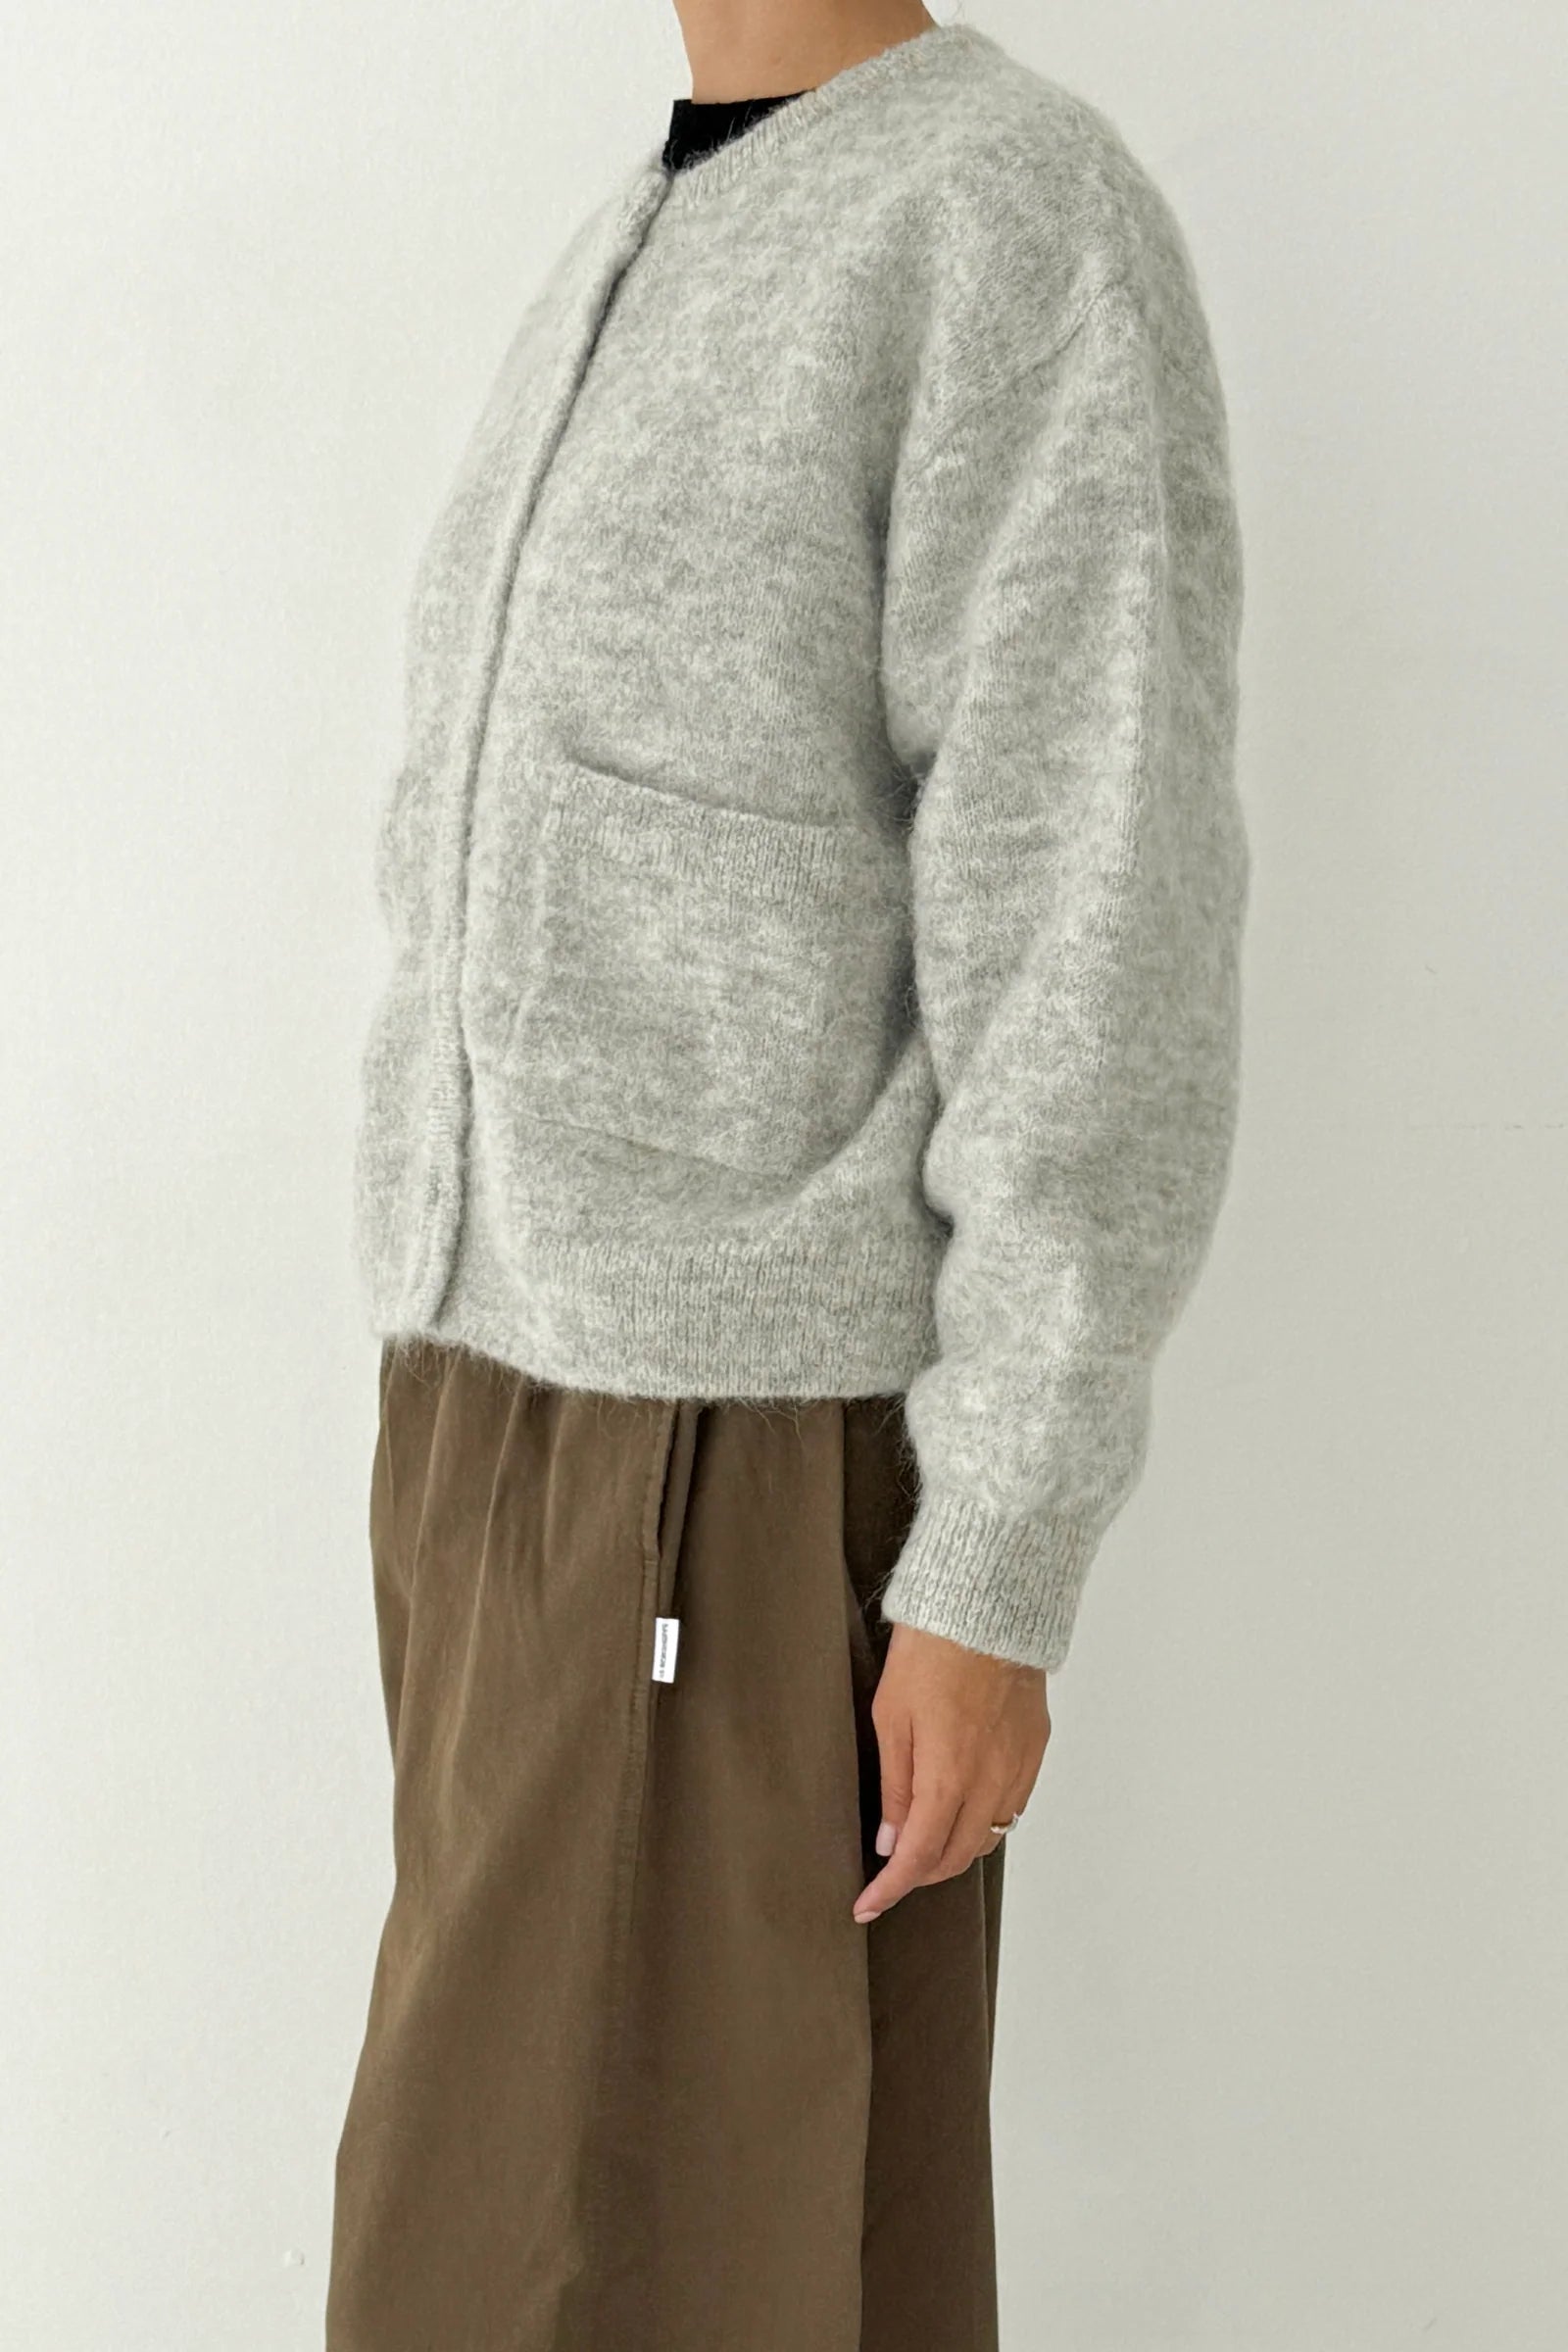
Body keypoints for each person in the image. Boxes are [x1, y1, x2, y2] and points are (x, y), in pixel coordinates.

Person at [324, 3, 1249, 2345]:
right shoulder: (648, 216)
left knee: (655, 2271)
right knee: (577, 2253)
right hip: (495, 1432)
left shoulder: (998, 212)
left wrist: (995, 1556)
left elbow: (1092, 910)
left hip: (719, 1469)